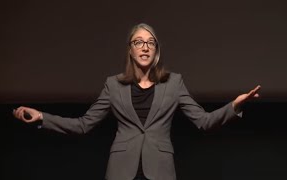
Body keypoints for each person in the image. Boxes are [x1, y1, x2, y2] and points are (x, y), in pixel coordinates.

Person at [13, 23, 261, 180]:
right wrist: (42, 118)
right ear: (130, 50)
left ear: (156, 51)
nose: (145, 47)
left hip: (160, 171)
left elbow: (204, 122)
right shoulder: (113, 85)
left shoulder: (174, 83)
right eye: (138, 42)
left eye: (150, 42)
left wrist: (235, 105)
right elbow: (84, 124)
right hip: (121, 169)